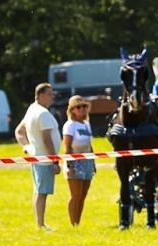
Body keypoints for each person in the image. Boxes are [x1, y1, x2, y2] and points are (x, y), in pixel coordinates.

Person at [14, 82, 61, 230]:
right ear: (40, 95)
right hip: (45, 160)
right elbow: (46, 139)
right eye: (49, 93)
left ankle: (40, 223)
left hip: (37, 157)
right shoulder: (42, 113)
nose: (52, 96)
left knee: (39, 191)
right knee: (42, 193)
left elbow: (19, 131)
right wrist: (54, 161)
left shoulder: (31, 109)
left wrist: (27, 148)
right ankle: (40, 224)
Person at [61, 94, 96, 226]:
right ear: (72, 110)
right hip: (75, 161)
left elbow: (89, 145)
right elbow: (67, 146)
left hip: (87, 161)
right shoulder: (69, 125)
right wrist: (69, 165)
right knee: (76, 195)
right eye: (78, 107)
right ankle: (73, 223)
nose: (81, 109)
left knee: (83, 195)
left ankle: (78, 222)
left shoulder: (87, 124)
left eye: (83, 106)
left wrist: (93, 162)